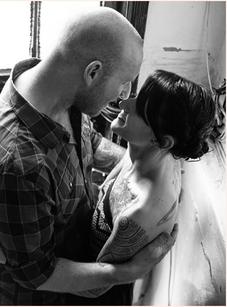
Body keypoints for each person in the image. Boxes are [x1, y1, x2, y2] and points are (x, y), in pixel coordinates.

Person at [0, 7, 177, 305]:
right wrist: (124, 272)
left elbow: (88, 140)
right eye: (124, 81)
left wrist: (145, 167)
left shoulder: (57, 86)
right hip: (36, 294)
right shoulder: (12, 165)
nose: (124, 95)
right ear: (93, 72)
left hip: (74, 250)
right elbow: (39, 274)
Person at [83, 70, 216, 302]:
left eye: (141, 109)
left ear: (163, 140)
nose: (124, 103)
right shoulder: (152, 153)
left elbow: (94, 289)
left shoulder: (138, 213)